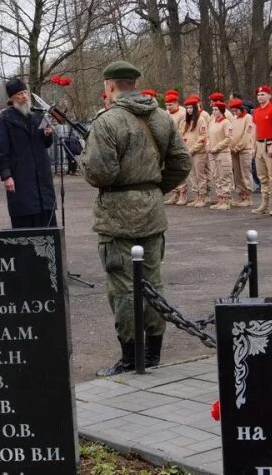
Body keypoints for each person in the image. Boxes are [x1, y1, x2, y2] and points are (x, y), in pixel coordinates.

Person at [82, 61, 190, 376]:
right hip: (152, 210)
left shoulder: (108, 121)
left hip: (118, 215)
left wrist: (84, 162)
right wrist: (153, 188)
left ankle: (130, 357)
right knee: (153, 281)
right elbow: (182, 162)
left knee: (123, 285)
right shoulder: (161, 116)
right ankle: (153, 353)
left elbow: (101, 172)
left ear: (110, 86)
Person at [0, 77, 56, 228]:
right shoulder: (6, 119)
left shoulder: (37, 114)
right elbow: (1, 150)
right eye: (20, 94)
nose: (24, 96)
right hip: (20, 175)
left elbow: (45, 144)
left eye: (25, 92)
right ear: (12, 98)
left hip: (42, 175)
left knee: (46, 220)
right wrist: (7, 176)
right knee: (26, 217)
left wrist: (47, 134)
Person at [251, 85, 272, 216]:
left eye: (263, 94)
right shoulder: (257, 111)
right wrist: (253, 146)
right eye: (258, 95)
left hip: (269, 143)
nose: (260, 97)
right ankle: (264, 203)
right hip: (258, 144)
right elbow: (254, 129)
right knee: (262, 176)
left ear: (269, 96)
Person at [181, 95, 209, 207]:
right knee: (192, 175)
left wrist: (193, 149)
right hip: (188, 151)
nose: (189, 110)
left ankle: (202, 197)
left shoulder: (201, 119)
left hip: (198, 152)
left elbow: (203, 137)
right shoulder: (187, 121)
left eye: (191, 108)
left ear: (195, 108)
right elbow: (185, 135)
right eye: (187, 108)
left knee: (200, 175)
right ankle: (196, 196)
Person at [206, 100, 234, 210]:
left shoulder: (226, 122)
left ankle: (226, 200)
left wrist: (217, 147)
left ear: (222, 111)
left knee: (224, 176)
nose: (213, 111)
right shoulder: (212, 122)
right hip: (212, 153)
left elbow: (229, 138)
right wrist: (208, 146)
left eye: (216, 110)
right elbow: (208, 136)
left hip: (222, 153)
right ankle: (220, 199)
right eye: (213, 109)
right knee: (216, 176)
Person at [228, 98, 254, 207]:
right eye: (233, 111)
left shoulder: (248, 118)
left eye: (236, 111)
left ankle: (248, 196)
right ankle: (240, 195)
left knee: (245, 173)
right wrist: (231, 146)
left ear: (241, 109)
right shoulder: (234, 119)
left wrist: (238, 147)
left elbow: (247, 135)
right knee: (237, 174)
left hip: (244, 150)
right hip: (234, 150)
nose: (234, 113)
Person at [163, 90, 188, 205]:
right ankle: (174, 193)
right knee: (171, 170)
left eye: (170, 105)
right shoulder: (165, 113)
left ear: (176, 103)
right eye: (167, 105)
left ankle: (183, 194)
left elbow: (183, 129)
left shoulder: (183, 113)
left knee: (179, 169)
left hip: (178, 144)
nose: (168, 107)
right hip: (168, 144)